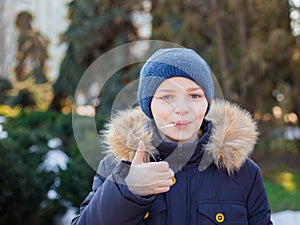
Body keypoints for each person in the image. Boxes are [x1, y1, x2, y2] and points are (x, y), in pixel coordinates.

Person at [71, 48, 273, 225]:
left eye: (194, 96)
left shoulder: (244, 173)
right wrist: (127, 190)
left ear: (208, 103)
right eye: (167, 97)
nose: (182, 109)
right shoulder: (119, 168)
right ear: (148, 104)